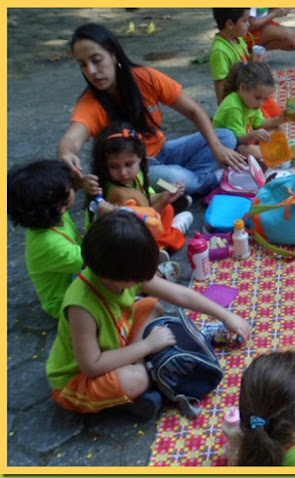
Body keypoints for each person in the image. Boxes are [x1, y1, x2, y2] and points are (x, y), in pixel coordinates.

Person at [45, 211, 252, 417]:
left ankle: (144, 373)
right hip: (78, 380)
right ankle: (138, 387)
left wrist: (225, 315)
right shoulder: (81, 307)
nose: (142, 281)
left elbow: (181, 295)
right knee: (137, 380)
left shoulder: (120, 271)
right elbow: (92, 365)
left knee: (152, 306)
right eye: (137, 279)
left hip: (117, 343)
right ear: (117, 275)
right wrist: (148, 346)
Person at [57, 23, 246, 198]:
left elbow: (194, 112)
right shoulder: (91, 102)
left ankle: (185, 183)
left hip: (165, 152)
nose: (91, 71)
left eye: (96, 60)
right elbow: (71, 140)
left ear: (114, 55)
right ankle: (211, 178)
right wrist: (66, 154)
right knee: (176, 179)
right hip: (136, 169)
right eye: (83, 65)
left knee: (226, 137)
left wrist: (217, 148)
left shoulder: (145, 78)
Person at [85, 122, 194, 253]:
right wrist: (163, 201)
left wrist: (164, 195)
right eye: (114, 166)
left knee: (169, 209)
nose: (123, 172)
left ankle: (167, 231)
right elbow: (142, 224)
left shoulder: (138, 174)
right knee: (164, 214)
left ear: (140, 158)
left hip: (141, 219)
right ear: (104, 165)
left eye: (128, 164)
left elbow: (145, 197)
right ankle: (169, 238)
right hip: (129, 235)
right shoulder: (117, 194)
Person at [8, 161, 87, 319]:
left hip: (75, 272)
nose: (74, 186)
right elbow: (95, 260)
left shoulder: (50, 216)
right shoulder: (48, 243)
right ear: (61, 205)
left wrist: (81, 185)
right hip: (66, 302)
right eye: (70, 186)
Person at [213, 61, 285, 160]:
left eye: (265, 99)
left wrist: (280, 119)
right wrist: (254, 135)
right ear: (243, 89)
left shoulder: (250, 102)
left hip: (247, 135)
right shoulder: (234, 108)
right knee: (246, 150)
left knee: (278, 128)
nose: (261, 103)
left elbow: (259, 122)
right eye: (258, 97)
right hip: (228, 145)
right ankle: (270, 152)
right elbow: (236, 140)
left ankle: (268, 151)